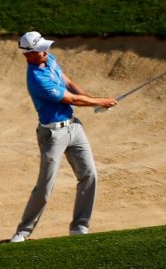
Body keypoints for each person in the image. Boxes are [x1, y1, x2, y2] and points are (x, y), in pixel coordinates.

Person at [9, 32, 117, 243]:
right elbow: (72, 99)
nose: (46, 52)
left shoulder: (49, 59)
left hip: (74, 128)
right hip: (53, 135)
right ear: (28, 55)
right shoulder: (37, 80)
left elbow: (68, 83)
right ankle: (23, 231)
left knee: (89, 175)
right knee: (45, 187)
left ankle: (79, 227)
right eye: (40, 50)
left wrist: (92, 100)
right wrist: (100, 102)